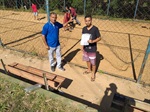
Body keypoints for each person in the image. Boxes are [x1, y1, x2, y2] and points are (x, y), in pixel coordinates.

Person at [81, 15, 101, 81]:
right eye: (86, 21)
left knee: (93, 62)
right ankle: (89, 69)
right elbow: (83, 38)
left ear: (91, 20)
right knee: (87, 60)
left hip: (92, 49)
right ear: (84, 21)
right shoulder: (84, 29)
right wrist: (82, 47)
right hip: (85, 48)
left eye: (89, 20)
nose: (87, 22)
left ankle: (93, 73)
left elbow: (99, 38)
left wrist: (93, 41)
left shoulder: (95, 29)